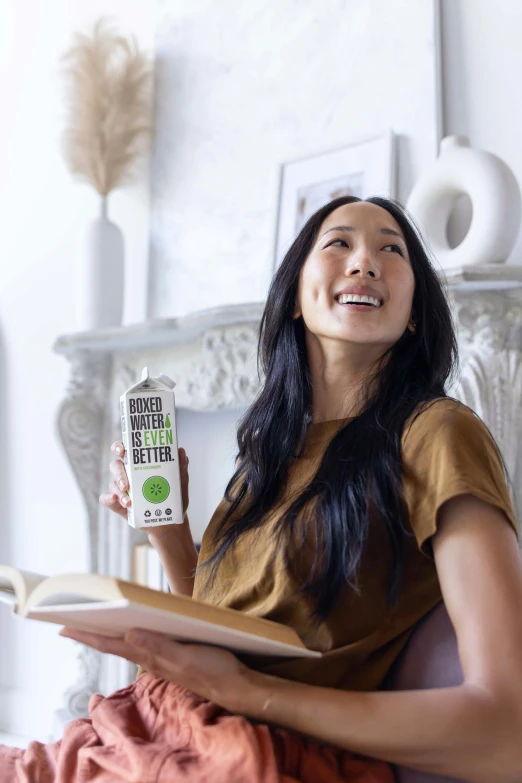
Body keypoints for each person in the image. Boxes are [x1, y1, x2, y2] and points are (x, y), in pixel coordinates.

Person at [2, 195, 522, 783]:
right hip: (148, 722)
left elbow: (507, 729)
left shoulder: (438, 433)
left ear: (413, 315)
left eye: (391, 249)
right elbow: (229, 625)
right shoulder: (271, 449)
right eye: (339, 242)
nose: (365, 262)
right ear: (296, 296)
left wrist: (247, 693)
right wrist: (169, 532)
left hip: (255, 751)